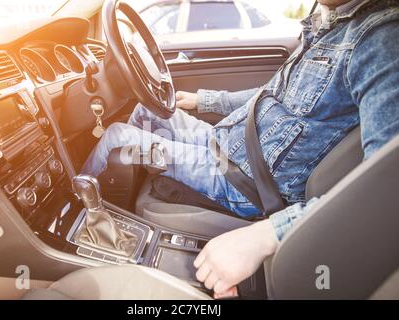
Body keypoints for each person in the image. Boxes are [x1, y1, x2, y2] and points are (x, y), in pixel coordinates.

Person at [83, 0, 399, 297]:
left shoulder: (381, 40)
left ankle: (80, 211)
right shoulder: (330, 24)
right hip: (225, 141)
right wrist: (202, 100)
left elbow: (382, 196)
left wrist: (266, 235)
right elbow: (271, 94)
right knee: (144, 111)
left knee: (118, 137)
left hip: (238, 179)